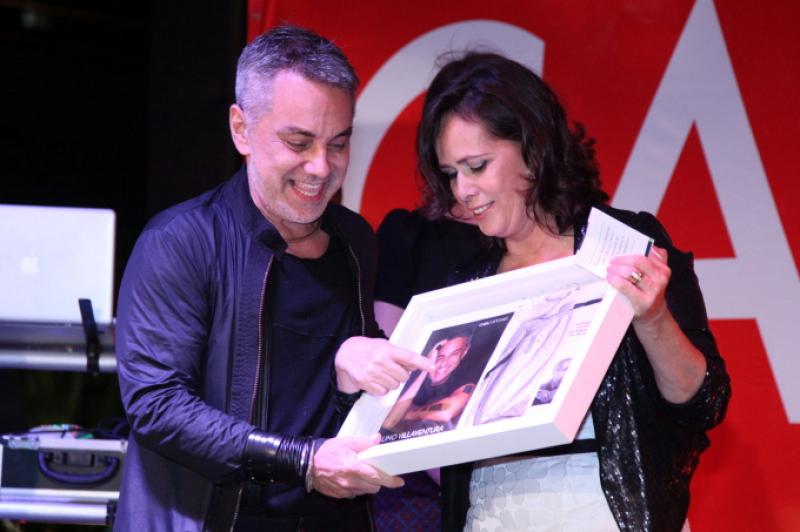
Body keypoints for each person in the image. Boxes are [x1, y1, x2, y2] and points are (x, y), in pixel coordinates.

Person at [114, 25, 431, 531]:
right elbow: (157, 406)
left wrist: (352, 376)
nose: (320, 167)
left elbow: (341, 409)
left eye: (338, 143)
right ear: (241, 129)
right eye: (298, 142)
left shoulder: (355, 241)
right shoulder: (180, 241)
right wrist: (302, 460)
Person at [413, 52, 731, 531]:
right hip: (492, 516)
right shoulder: (465, 286)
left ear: (532, 148)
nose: (462, 190)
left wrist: (653, 319)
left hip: (610, 514)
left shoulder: (625, 246)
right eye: (450, 173)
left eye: (476, 166)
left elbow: (705, 402)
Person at [381, 333, 474, 435]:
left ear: (465, 352)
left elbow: (446, 412)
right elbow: (389, 422)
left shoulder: (463, 382)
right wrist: (426, 368)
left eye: (454, 354)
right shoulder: (412, 373)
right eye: (440, 357)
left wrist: (409, 414)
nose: (444, 363)